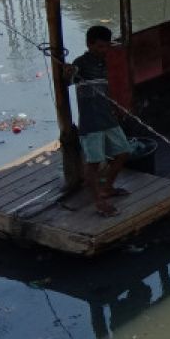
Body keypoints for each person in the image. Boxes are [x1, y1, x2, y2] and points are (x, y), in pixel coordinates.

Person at [63, 25, 132, 217]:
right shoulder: (81, 63)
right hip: (91, 123)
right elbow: (68, 80)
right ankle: (98, 202)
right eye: (100, 47)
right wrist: (68, 73)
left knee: (123, 152)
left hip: (108, 119)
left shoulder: (104, 63)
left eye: (106, 47)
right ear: (89, 44)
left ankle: (107, 187)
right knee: (93, 164)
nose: (104, 51)